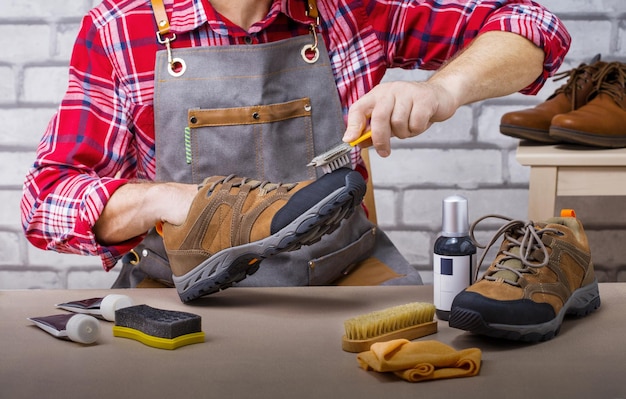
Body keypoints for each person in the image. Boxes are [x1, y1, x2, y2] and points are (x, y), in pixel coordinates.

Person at [21, 0, 570, 300]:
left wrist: (442, 89)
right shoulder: (121, 28)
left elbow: (533, 27)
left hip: (341, 278)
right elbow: (46, 201)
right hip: (181, 293)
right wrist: (166, 201)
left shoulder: (351, 11)